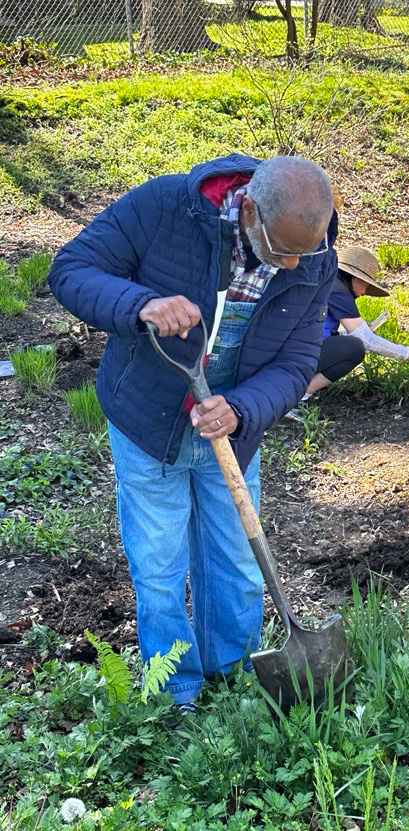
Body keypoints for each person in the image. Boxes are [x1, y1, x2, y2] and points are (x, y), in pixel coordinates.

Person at [48, 154, 337, 709]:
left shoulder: (313, 254)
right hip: (148, 421)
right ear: (248, 209)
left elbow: (300, 360)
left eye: (305, 252)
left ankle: (230, 682)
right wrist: (142, 304)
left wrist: (244, 408)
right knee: (158, 567)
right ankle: (176, 693)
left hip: (231, 430)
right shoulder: (166, 207)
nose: (293, 266)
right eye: (282, 252)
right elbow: (71, 269)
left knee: (237, 568)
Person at [286, 245, 409, 418]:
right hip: (294, 355)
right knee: (354, 349)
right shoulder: (337, 290)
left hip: (289, 349)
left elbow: (323, 332)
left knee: (348, 343)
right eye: (366, 285)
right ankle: (296, 397)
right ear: (354, 277)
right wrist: (405, 353)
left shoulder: (328, 281)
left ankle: (295, 394)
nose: (364, 293)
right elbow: (365, 340)